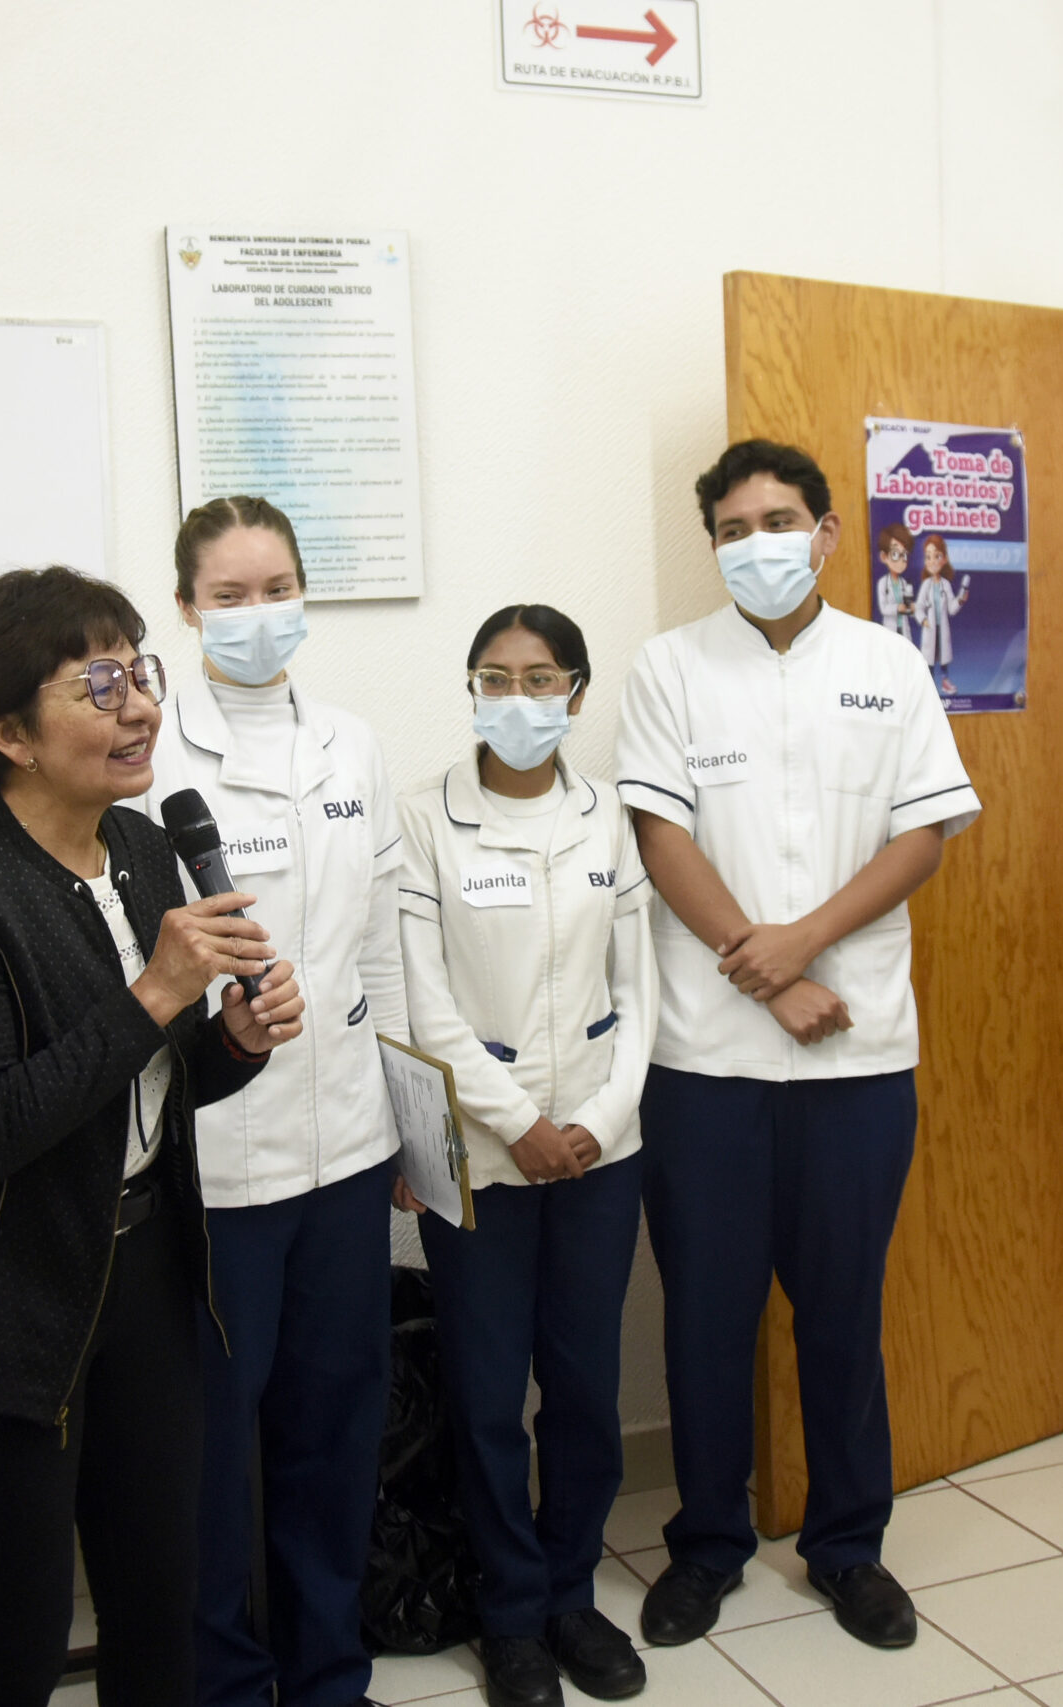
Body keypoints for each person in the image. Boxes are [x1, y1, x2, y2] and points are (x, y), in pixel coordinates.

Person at [0, 569, 304, 1707]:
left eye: (139, 671)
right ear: (8, 733)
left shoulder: (143, 850)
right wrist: (158, 992)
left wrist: (231, 1041)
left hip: (142, 1277)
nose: (141, 705)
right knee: (19, 1637)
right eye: (99, 685)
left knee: (160, 1607)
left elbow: (146, 1090)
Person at [615, 439, 979, 1654]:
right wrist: (759, 969)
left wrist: (804, 945)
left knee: (840, 1315)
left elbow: (923, 834)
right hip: (703, 1062)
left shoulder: (888, 664)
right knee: (706, 1321)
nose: (756, 544)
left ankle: (847, 1547)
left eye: (778, 521)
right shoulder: (669, 669)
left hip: (854, 1058)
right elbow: (660, 835)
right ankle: (707, 1546)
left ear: (825, 533)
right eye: (732, 528)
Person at [148, 496, 408, 1707]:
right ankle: (223, 1682)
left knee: (336, 1426)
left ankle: (327, 1674)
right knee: (209, 1450)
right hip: (221, 1166)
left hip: (348, 1149)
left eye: (277, 590)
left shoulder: (351, 744)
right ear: (186, 606)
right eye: (231, 595)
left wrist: (412, 1131)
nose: (258, 614)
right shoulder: (150, 759)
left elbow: (378, 950)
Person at [395, 605, 656, 1707]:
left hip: (601, 1147)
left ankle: (568, 1594)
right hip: (484, 1157)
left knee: (586, 1389)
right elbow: (425, 1002)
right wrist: (518, 1121)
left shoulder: (610, 819)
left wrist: (601, 1116)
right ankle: (509, 1613)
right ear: (470, 690)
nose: (517, 698)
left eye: (541, 678)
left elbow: (640, 991)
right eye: (494, 678)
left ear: (576, 694)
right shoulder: (423, 820)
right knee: (489, 1395)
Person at [911, 534, 972, 695]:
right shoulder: (926, 585)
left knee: (943, 657)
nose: (932, 561)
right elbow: (919, 607)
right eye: (928, 557)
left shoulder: (946, 585)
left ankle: (945, 682)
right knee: (929, 659)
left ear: (944, 559)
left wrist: (960, 600)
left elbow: (951, 608)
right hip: (930, 627)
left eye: (937, 556)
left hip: (942, 629)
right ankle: (928, 684)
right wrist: (923, 620)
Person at [873, 523, 915, 640]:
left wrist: (912, 609)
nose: (901, 560)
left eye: (904, 555)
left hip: (904, 629)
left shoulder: (904, 583)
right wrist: (897, 608)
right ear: (884, 557)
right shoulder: (882, 583)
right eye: (895, 554)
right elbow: (883, 608)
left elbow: (908, 607)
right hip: (890, 628)